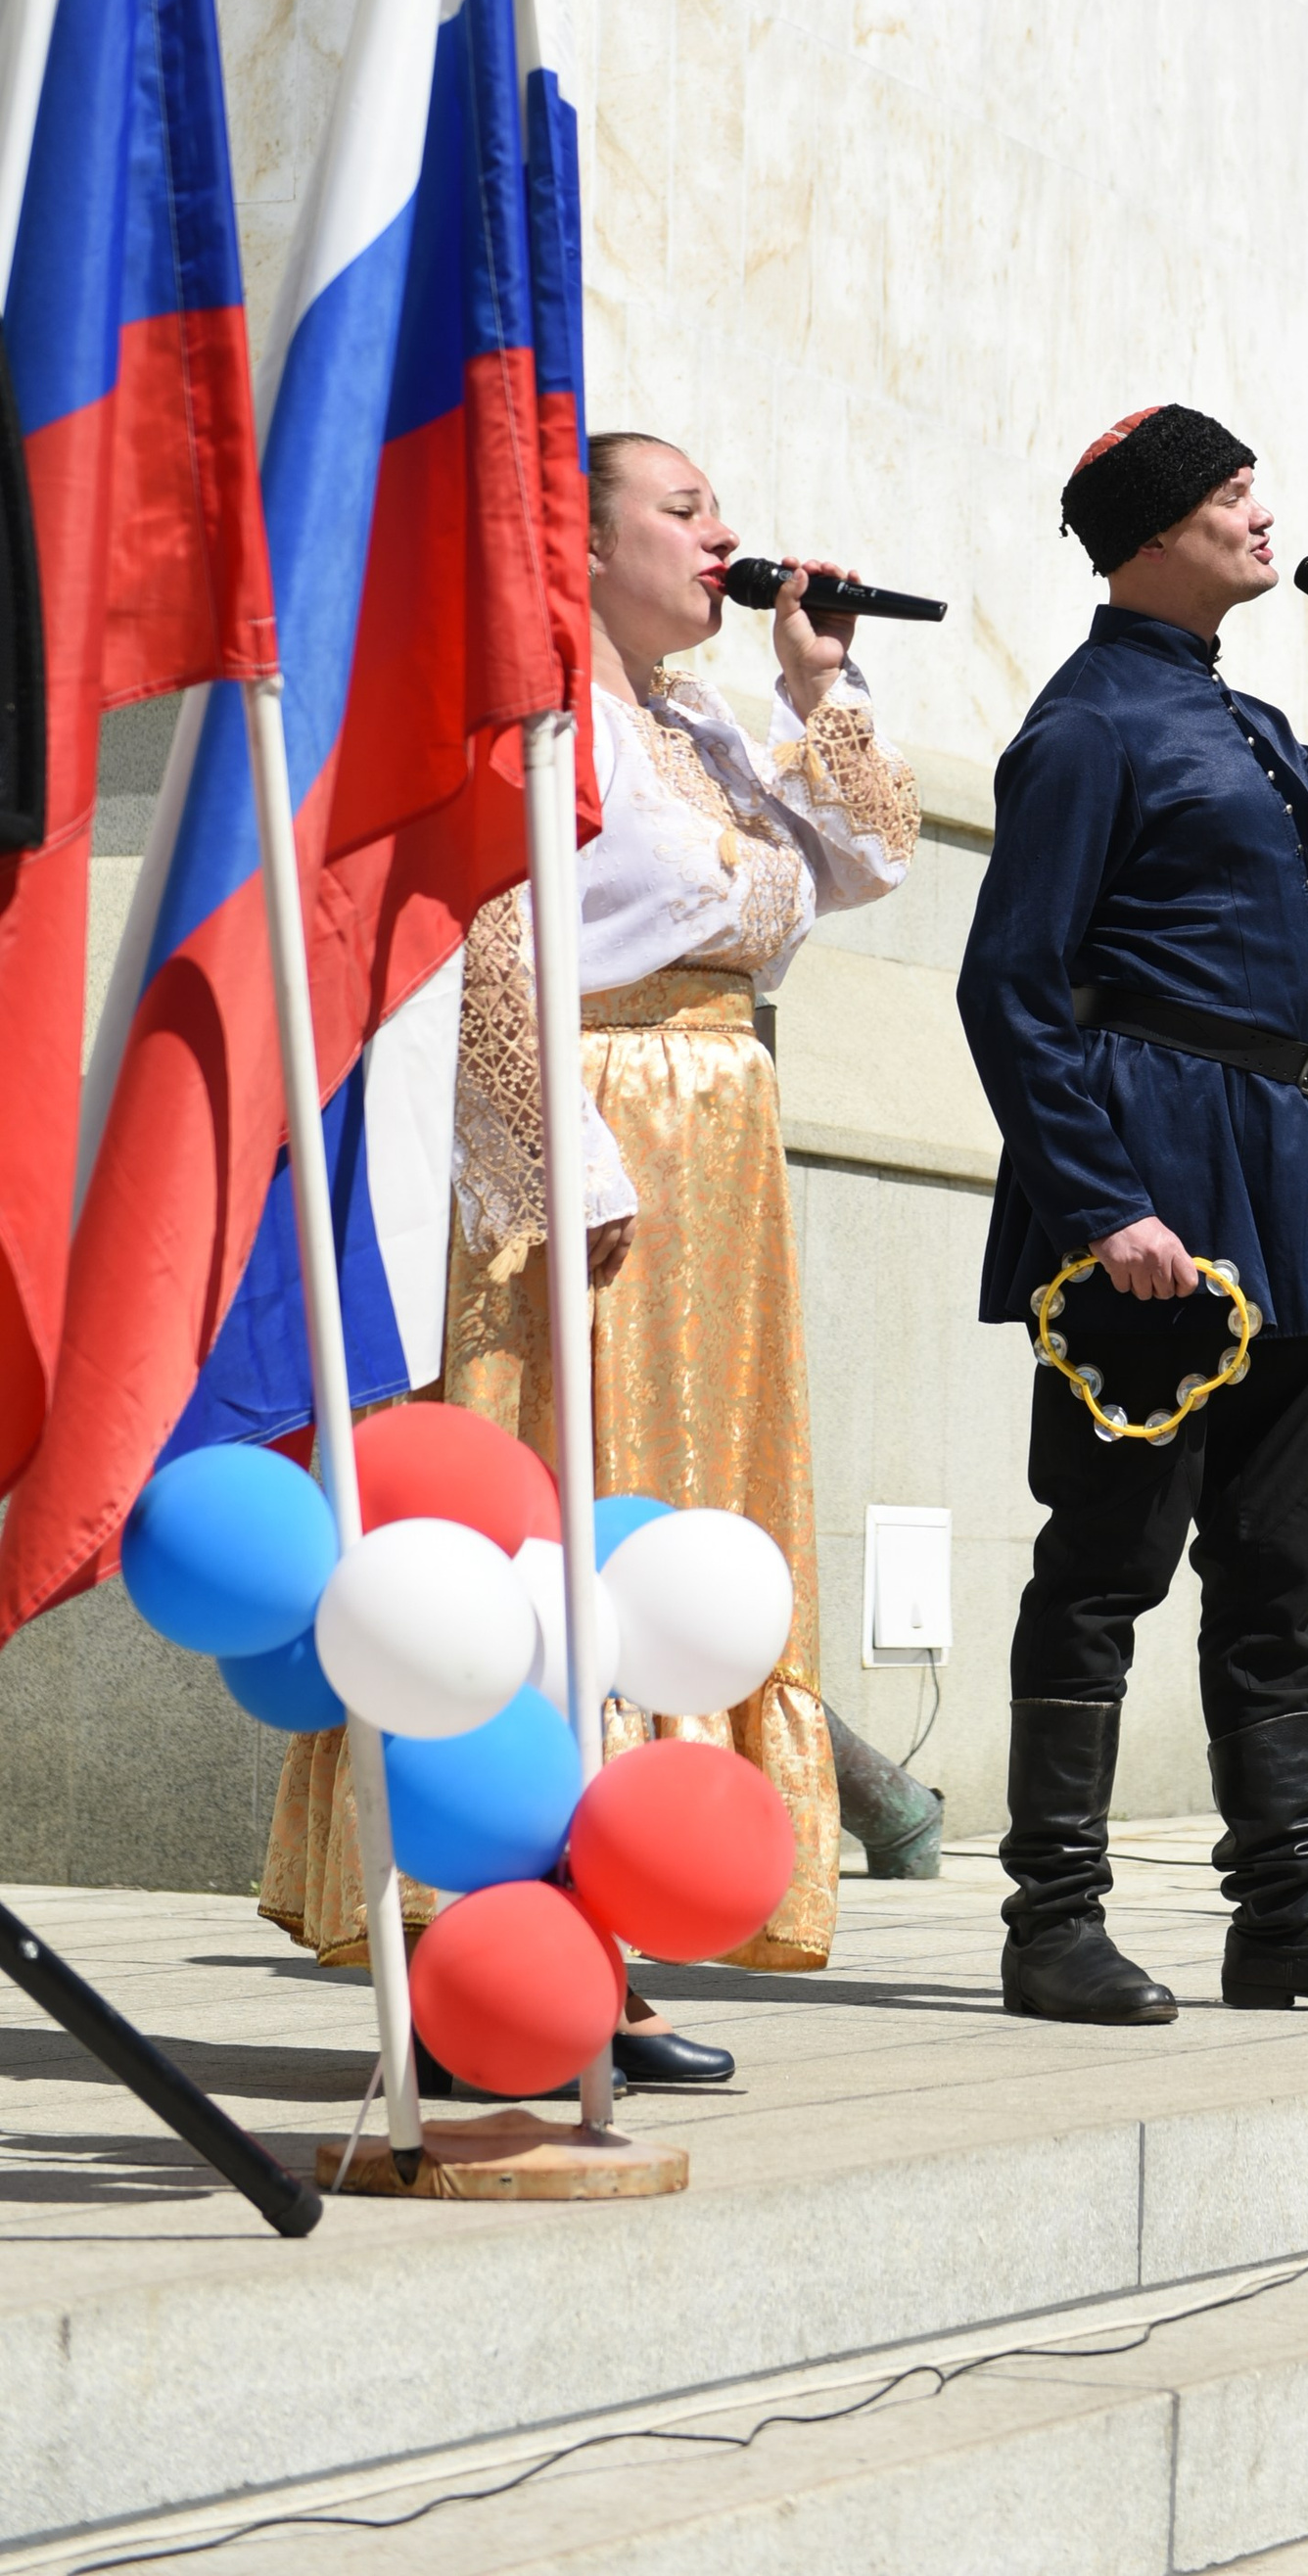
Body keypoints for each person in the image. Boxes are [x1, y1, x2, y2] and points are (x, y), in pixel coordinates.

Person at [261, 432, 920, 2081]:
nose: (726, 533)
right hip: (597, 1135)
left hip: (723, 1144)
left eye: (721, 504)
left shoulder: (699, 726)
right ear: (586, 537)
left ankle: (624, 1926)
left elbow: (865, 860)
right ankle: (528, 1939)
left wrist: (819, 690)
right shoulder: (545, 720)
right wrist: (560, 1158)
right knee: (566, 1501)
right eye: (687, 508)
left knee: (687, 1514)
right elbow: (492, 935)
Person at [958, 402, 1308, 2026]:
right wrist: (1100, 1204)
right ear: (1152, 532)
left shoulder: (1241, 722)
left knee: (1275, 1563)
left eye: (1258, 486)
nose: (1264, 515)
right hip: (1149, 1168)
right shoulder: (1087, 728)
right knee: (1110, 1553)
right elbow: (1011, 987)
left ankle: (1290, 1915)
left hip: (1276, 1158)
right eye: (1230, 494)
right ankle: (1054, 1921)